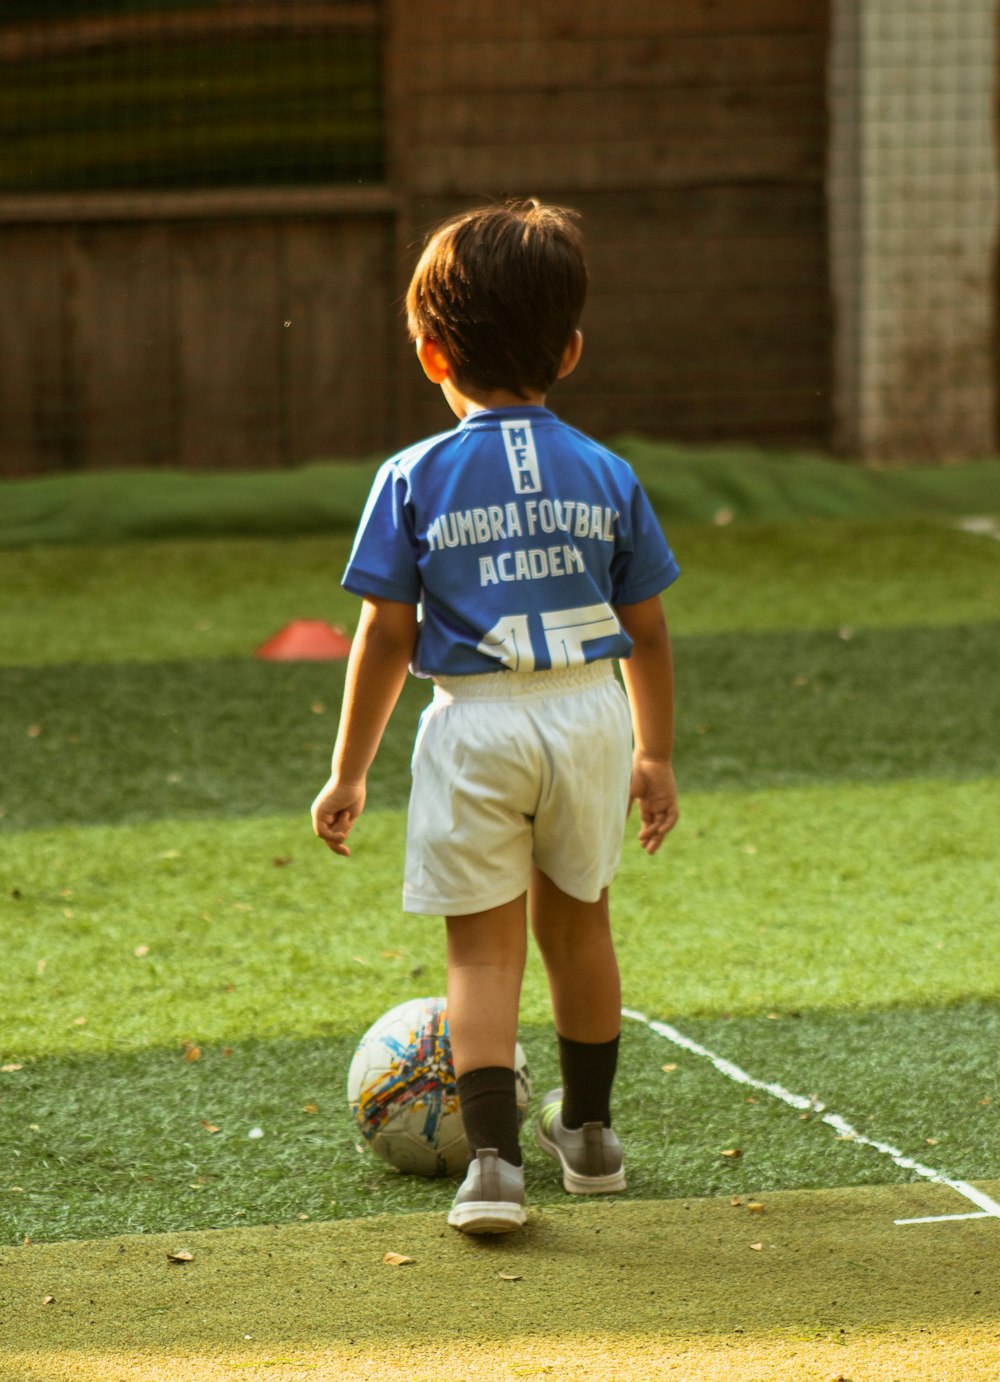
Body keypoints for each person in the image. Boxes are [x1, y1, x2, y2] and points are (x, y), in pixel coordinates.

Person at [312, 199, 679, 1235]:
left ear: (431, 354)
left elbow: (385, 636)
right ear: (569, 349)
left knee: (480, 953)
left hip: (474, 721)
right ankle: (594, 1139)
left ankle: (490, 1167)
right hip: (588, 711)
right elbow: (646, 630)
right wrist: (653, 751)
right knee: (580, 925)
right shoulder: (609, 473)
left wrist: (346, 773)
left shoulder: (411, 477)